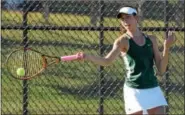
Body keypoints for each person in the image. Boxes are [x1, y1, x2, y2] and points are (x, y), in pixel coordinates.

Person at [76, 6, 176, 115]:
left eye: (128, 17)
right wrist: (87, 56)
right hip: (134, 90)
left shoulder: (151, 40)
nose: (125, 21)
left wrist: (167, 47)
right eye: (122, 19)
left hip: (152, 87)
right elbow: (107, 61)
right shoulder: (122, 41)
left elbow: (161, 69)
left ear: (136, 18)